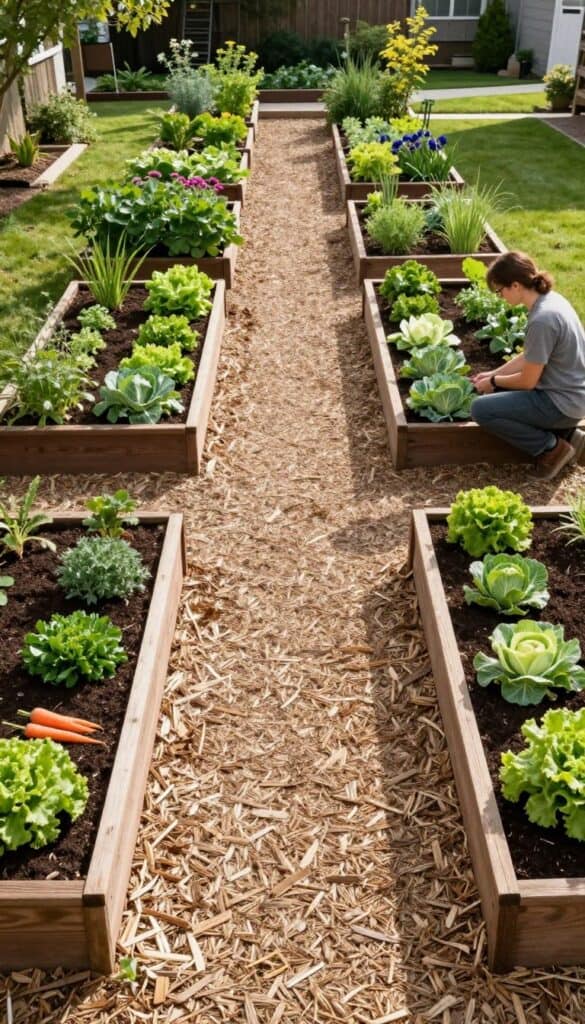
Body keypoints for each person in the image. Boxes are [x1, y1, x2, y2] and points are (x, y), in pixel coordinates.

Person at [470, 251, 585, 480]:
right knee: (499, 392)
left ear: (515, 285)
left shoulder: (542, 320)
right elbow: (530, 357)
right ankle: (569, 435)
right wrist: (494, 373)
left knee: (480, 409)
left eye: (499, 290)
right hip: (573, 396)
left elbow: (527, 381)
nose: (499, 296)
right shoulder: (552, 301)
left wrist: (493, 382)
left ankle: (552, 448)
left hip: (561, 402)